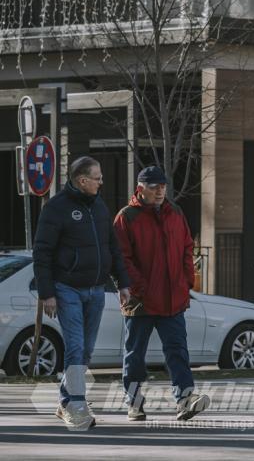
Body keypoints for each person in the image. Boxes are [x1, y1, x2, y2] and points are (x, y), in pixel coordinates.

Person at [33, 156, 130, 430]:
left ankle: (65, 401)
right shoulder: (56, 209)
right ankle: (76, 405)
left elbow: (113, 247)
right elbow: (42, 253)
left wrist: (123, 283)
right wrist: (47, 293)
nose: (102, 182)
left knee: (86, 350)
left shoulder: (99, 206)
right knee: (75, 346)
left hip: (96, 289)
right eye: (97, 177)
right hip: (67, 289)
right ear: (82, 180)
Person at [113, 166, 210, 422]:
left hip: (172, 299)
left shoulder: (175, 212)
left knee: (178, 351)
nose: (160, 190)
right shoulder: (127, 217)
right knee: (134, 356)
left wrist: (187, 279)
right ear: (140, 187)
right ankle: (134, 403)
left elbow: (188, 246)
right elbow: (121, 258)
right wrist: (140, 288)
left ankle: (185, 399)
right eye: (154, 186)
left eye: (163, 186)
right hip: (140, 302)